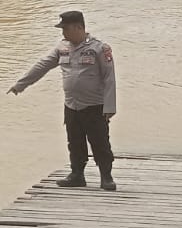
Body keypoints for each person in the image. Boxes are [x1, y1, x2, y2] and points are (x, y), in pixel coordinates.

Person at [9, 11, 118, 190]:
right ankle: (77, 175)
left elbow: (109, 78)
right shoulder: (62, 48)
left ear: (79, 27)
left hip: (94, 106)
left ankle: (106, 176)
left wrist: (110, 106)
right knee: (74, 142)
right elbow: (42, 65)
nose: (63, 33)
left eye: (66, 29)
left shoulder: (99, 48)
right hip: (72, 105)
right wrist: (20, 85)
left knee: (100, 142)